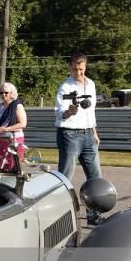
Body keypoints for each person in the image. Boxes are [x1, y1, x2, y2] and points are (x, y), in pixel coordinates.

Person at [55, 53, 102, 181]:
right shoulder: (65, 87)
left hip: (89, 135)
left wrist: (94, 133)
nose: (78, 72)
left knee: (96, 176)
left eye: (81, 69)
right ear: (69, 68)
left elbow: (91, 111)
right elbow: (59, 114)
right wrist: (69, 112)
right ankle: (62, 200)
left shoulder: (91, 84)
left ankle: (95, 201)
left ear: (85, 67)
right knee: (65, 176)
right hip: (70, 135)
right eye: (75, 69)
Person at [0, 82, 28, 170]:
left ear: (12, 93)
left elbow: (23, 124)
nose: (3, 95)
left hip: (13, 141)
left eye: (6, 92)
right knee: (0, 167)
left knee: (12, 167)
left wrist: (6, 129)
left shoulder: (17, 106)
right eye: (1, 93)